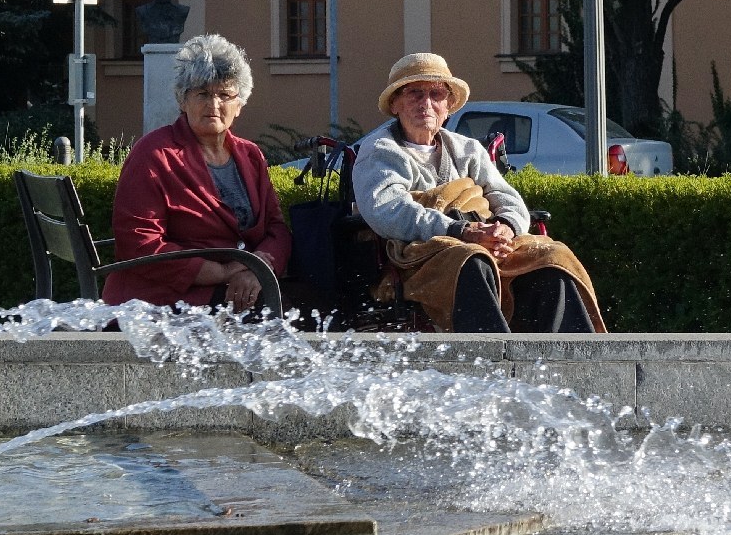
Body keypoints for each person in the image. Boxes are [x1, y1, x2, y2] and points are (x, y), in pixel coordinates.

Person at [352, 52, 603, 333]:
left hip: (483, 240)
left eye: (436, 94)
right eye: (415, 93)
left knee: (551, 257)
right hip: (418, 255)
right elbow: (388, 210)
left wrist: (505, 228)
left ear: (448, 106)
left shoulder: (467, 149)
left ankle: (573, 354)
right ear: (395, 103)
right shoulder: (380, 150)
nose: (427, 103)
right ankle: (495, 354)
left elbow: (506, 198)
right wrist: (460, 230)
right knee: (470, 260)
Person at [102, 34, 291, 311]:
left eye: (224, 95)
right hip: (164, 299)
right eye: (202, 93)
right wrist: (221, 273)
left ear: (239, 105)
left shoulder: (251, 155)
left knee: (317, 300)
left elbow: (276, 228)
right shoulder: (154, 154)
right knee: (292, 315)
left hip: (238, 290)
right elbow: (140, 241)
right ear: (182, 100)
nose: (213, 105)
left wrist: (258, 271)